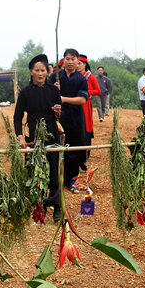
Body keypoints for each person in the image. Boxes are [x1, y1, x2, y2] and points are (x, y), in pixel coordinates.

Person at [14, 54, 62, 220]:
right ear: (31, 72)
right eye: (37, 70)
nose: (40, 73)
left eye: (43, 70)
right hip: (33, 132)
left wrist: (58, 112)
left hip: (51, 131)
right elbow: (17, 116)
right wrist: (20, 136)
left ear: (47, 72)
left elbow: (59, 116)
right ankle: (38, 205)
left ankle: (57, 205)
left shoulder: (54, 90)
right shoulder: (25, 92)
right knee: (35, 168)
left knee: (54, 167)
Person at [48, 49, 88, 193]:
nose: (70, 62)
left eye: (73, 59)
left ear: (78, 61)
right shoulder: (54, 77)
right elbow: (47, 96)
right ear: (63, 60)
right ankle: (56, 180)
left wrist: (63, 98)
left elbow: (82, 100)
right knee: (56, 149)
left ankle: (71, 181)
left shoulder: (81, 79)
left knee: (73, 150)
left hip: (75, 119)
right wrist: (54, 90)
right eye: (67, 59)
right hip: (57, 119)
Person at [77, 55, 100, 167]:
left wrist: (85, 92)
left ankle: (83, 159)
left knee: (85, 128)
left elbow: (97, 90)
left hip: (85, 105)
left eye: (79, 63)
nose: (77, 66)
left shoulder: (90, 77)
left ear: (85, 64)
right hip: (74, 104)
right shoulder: (73, 75)